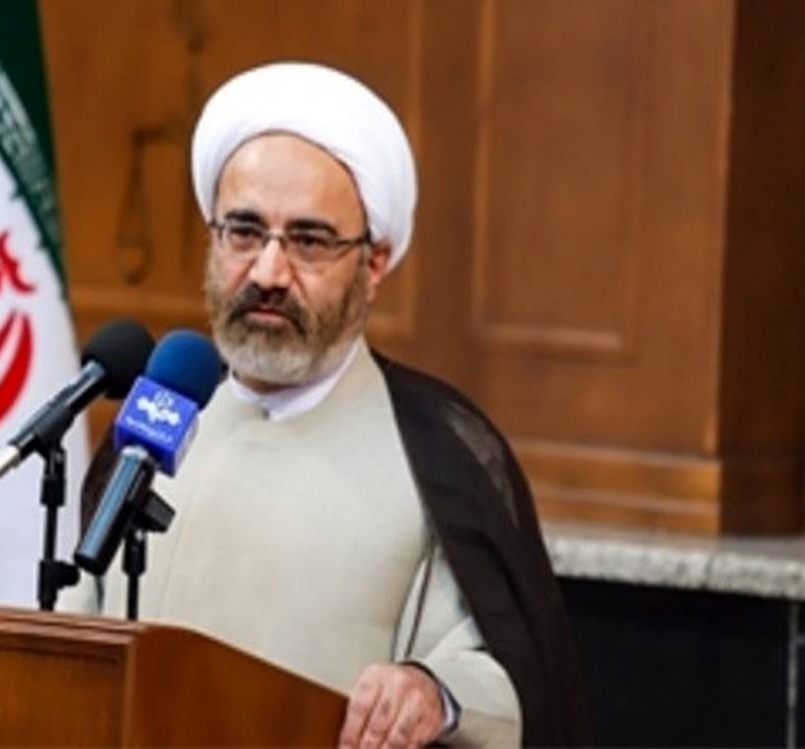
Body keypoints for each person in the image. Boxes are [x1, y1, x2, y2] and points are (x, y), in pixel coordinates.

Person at [62, 62, 588, 748]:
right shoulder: (159, 417)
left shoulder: (437, 448)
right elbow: (78, 634)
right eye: (243, 232)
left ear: (374, 263)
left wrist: (432, 691)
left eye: (308, 241)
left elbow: (510, 685)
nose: (268, 272)